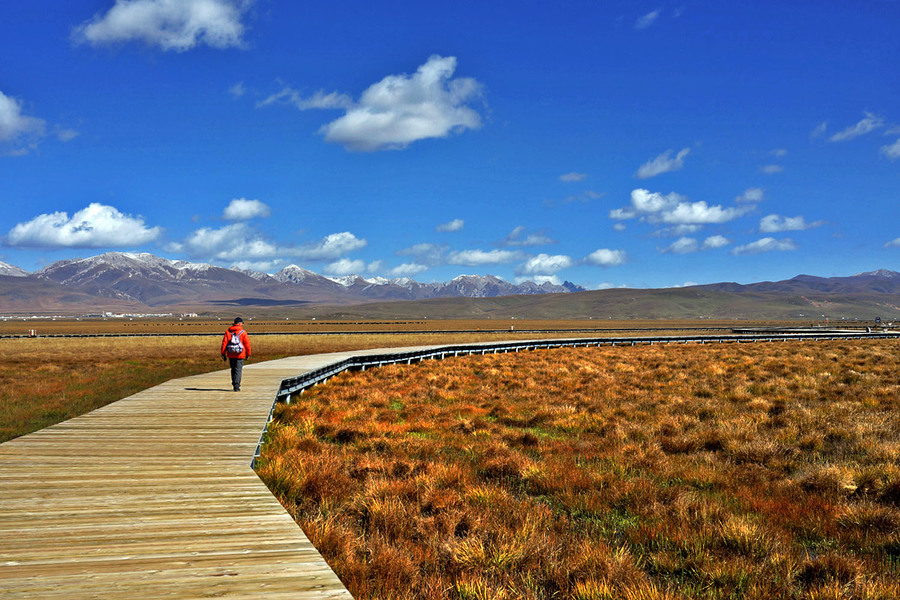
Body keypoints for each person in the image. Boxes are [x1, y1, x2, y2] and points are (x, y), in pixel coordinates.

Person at [221, 317, 251, 391]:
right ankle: (236, 386)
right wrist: (248, 354)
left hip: (231, 354)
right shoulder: (243, 332)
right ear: (240, 323)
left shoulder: (228, 332)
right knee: (238, 370)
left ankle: (234, 384)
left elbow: (224, 343)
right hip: (240, 354)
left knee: (233, 369)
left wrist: (223, 353)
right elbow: (247, 344)